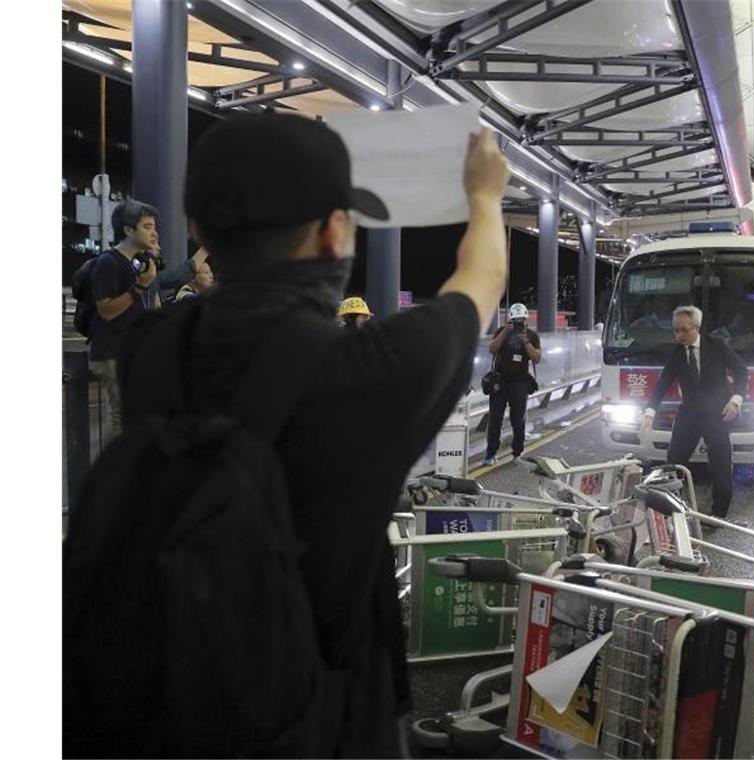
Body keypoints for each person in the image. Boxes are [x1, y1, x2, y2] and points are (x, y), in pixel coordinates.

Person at [101, 114, 509, 756]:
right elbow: (480, 280)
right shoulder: (368, 370)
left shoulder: (150, 352)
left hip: (166, 700)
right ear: (334, 232)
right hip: (321, 721)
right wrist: (484, 196)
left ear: (202, 232)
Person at [640, 305, 748, 518]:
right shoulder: (677, 353)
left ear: (696, 328)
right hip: (688, 415)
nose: (679, 335)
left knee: (721, 466)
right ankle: (674, 510)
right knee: (673, 464)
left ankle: (719, 514)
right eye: (676, 330)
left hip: (717, 414)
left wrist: (736, 401)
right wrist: (649, 412)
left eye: (684, 330)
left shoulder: (717, 346)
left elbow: (742, 371)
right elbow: (663, 383)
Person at [87, 199, 161, 436]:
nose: (154, 232)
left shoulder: (135, 263)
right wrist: (139, 287)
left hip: (125, 350)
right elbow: (106, 310)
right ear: (128, 230)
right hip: (111, 352)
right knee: (121, 416)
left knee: (132, 414)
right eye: (147, 227)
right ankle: (114, 469)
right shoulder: (109, 262)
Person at [483, 303, 542, 465]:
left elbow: (536, 358)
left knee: (518, 420)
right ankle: (491, 453)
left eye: (521, 320)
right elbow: (492, 349)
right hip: (500, 381)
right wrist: (505, 332)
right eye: (515, 320)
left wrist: (525, 341)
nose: (518, 323)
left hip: (519, 382)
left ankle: (517, 452)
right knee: (495, 419)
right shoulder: (502, 332)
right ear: (509, 319)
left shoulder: (531, 335)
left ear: (526, 320)